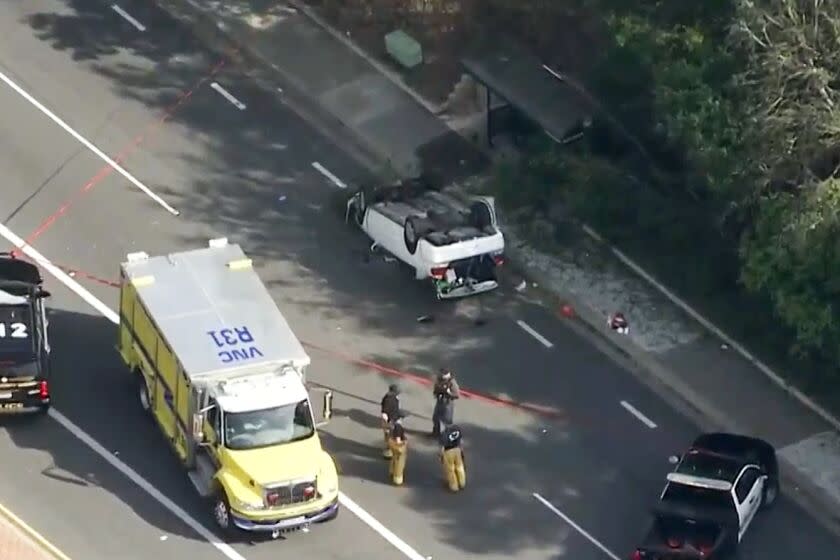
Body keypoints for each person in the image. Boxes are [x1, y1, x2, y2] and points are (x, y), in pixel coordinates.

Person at [432, 369, 460, 437]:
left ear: (448, 374)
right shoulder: (439, 380)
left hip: (448, 403)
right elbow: (436, 388)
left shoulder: (452, 383)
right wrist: (436, 393)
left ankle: (448, 437)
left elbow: (456, 395)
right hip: (439, 401)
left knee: (447, 421)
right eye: (441, 374)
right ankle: (436, 433)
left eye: (444, 375)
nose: (442, 376)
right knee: (435, 418)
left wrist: (449, 392)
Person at [440, 423, 466, 492]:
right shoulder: (457, 429)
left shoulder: (444, 433)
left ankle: (454, 486)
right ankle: (462, 482)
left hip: (448, 451)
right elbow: (461, 441)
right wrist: (462, 450)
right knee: (459, 466)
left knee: (450, 469)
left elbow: (443, 445)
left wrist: (441, 455)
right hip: (457, 450)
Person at [380, 384, 401, 458]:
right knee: (390, 435)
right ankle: (388, 451)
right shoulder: (388, 399)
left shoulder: (392, 397)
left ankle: (389, 448)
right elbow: (384, 412)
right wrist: (387, 422)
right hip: (390, 420)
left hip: (392, 419)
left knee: (391, 435)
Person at [387, 412, 408, 486]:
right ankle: (397, 480)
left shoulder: (392, 426)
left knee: (394, 460)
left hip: (393, 446)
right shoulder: (398, 427)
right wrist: (403, 443)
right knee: (399, 463)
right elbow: (398, 440)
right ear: (399, 419)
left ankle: (392, 472)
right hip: (398, 448)